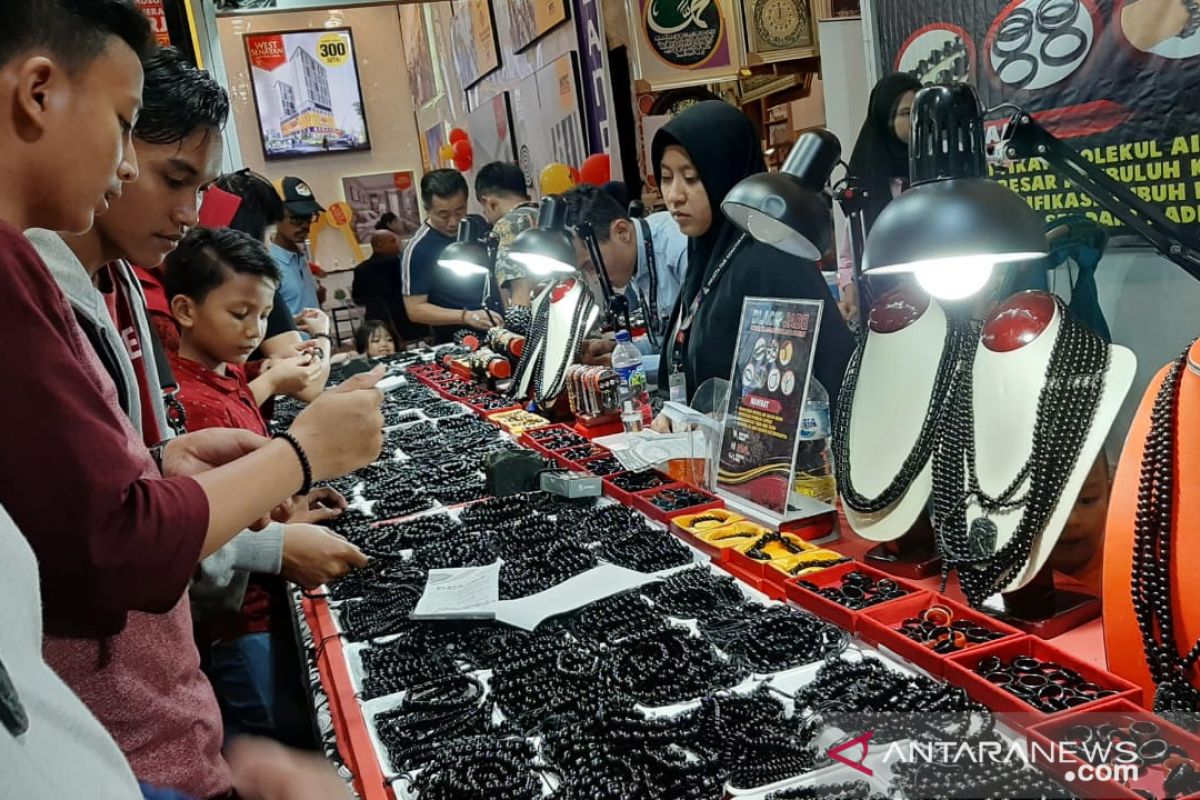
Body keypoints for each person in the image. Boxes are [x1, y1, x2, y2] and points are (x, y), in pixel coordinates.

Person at [0, 6, 383, 795]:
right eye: (123, 127)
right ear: (38, 93)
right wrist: (298, 456)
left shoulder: (108, 284)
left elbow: (79, 494)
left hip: (151, 716)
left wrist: (160, 464)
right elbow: (109, 546)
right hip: (108, 738)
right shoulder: (17, 279)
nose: (128, 175)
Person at [164, 226, 368, 740]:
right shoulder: (190, 402)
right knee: (274, 736)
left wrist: (290, 504)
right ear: (185, 311)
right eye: (239, 314)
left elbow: (251, 483)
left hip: (267, 602)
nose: (255, 330)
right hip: (239, 621)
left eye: (262, 314)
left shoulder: (229, 375)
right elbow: (203, 523)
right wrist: (280, 536)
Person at [650, 101, 854, 411]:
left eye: (691, 178)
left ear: (725, 174)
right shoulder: (703, 256)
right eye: (666, 178)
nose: (675, 195)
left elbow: (825, 376)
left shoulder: (771, 257)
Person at [562, 184, 689, 378]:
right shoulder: (636, 259)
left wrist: (622, 365)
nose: (594, 278)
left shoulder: (678, 249)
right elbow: (665, 342)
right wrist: (618, 351)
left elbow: (694, 354)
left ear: (622, 231)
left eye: (591, 265)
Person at [837, 73, 922, 324]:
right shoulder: (866, 183)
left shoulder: (942, 175)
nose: (917, 120)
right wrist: (849, 292)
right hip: (884, 310)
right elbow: (848, 256)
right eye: (907, 113)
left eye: (922, 110)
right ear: (886, 120)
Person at [401, 168, 498, 341]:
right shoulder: (418, 249)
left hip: (499, 328)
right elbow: (415, 309)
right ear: (427, 209)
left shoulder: (478, 224)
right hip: (460, 341)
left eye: (459, 211)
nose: (453, 222)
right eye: (443, 215)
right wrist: (466, 316)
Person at [476, 160, 540, 314]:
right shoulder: (546, 215)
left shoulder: (506, 226)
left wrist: (514, 332)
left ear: (489, 202)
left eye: (483, 208)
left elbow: (520, 295)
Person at [1049, 453, 1110, 595]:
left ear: (1110, 494)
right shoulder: (1005, 581)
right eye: (1051, 505)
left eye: (1086, 500)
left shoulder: (1133, 569)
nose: (1071, 520)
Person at [270, 175, 324, 319]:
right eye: (296, 219)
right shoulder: (270, 265)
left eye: (309, 218)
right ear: (275, 215)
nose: (306, 226)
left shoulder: (300, 257)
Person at [352, 229, 413, 336]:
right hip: (405, 322)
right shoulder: (399, 265)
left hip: (375, 325)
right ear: (379, 245)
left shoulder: (360, 269)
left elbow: (357, 299)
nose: (398, 245)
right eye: (393, 241)